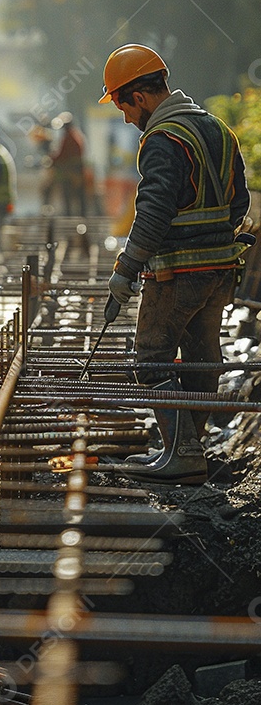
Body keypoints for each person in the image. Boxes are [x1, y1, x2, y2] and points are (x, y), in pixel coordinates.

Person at [101, 44, 251, 484]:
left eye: (125, 107)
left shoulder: (163, 139)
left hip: (176, 273)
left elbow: (153, 212)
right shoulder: (218, 130)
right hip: (219, 272)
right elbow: (238, 201)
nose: (128, 118)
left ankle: (181, 453)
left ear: (141, 97)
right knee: (203, 357)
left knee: (150, 359)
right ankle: (188, 452)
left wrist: (126, 268)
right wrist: (212, 243)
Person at [48, 112, 87, 215]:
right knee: (79, 196)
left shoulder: (69, 137)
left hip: (70, 173)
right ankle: (81, 216)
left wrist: (51, 160)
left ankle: (69, 215)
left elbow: (62, 155)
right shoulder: (76, 135)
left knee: (68, 195)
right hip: (77, 171)